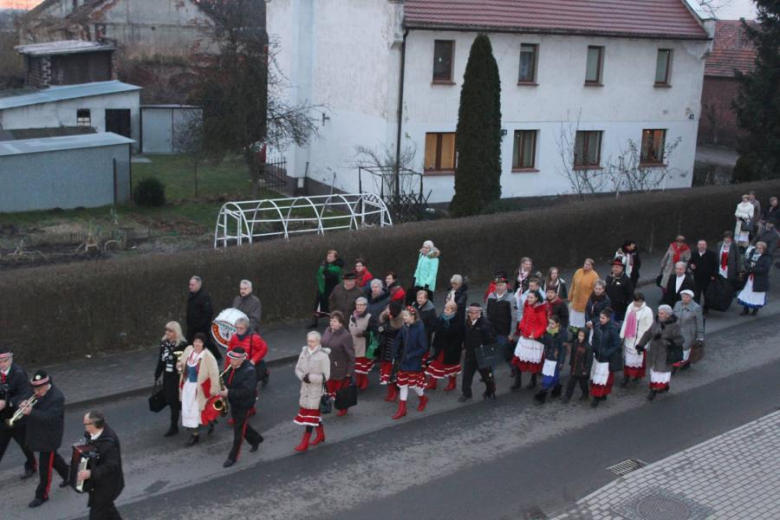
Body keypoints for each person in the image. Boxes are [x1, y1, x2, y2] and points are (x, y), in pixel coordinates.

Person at [24, 370, 70, 508]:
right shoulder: (35, 391)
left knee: (45, 468)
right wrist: (24, 403)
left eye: (39, 388)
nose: (36, 391)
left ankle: (42, 495)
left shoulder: (57, 397)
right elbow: (25, 396)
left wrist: (31, 411)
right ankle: (69, 475)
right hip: (38, 432)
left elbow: (49, 417)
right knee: (53, 458)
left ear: (47, 384)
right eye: (34, 388)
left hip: (49, 437)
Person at [219, 348, 263, 467]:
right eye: (231, 358)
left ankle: (232, 457)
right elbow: (227, 379)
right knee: (241, 424)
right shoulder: (232, 367)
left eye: (235, 359)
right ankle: (256, 439)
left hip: (244, 404)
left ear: (243, 359)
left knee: (238, 430)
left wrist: (228, 393)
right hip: (235, 402)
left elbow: (246, 392)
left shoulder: (249, 371)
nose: (231, 361)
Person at [79, 410, 124, 519]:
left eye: (86, 424)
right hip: (98, 483)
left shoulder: (109, 443)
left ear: (93, 425)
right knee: (108, 510)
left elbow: (111, 465)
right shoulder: (91, 434)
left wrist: (90, 473)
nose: (84, 427)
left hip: (107, 485)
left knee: (97, 513)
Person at [0, 347, 37, 479]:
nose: (2, 364)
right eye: (0, 362)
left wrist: (7, 402)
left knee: (25, 446)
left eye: (5, 361)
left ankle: (32, 465)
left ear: (11, 360)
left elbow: (25, 393)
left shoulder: (18, 373)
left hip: (17, 419)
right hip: (1, 419)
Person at [179, 333, 221, 447]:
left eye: (200, 342)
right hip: (188, 386)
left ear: (203, 344)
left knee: (196, 410)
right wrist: (180, 367)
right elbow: (182, 364)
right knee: (189, 409)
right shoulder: (189, 350)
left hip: (200, 389)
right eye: (195, 341)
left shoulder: (208, 356)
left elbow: (214, 373)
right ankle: (205, 425)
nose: (197, 344)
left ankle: (195, 435)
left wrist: (213, 388)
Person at [636, 305, 684, 401]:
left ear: (667, 315)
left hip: (665, 353)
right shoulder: (656, 322)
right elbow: (648, 334)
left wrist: (671, 341)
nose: (659, 314)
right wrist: (640, 345)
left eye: (661, 313)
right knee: (654, 372)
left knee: (661, 372)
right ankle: (653, 389)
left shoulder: (674, 326)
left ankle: (661, 387)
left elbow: (680, 339)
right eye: (659, 312)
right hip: (654, 352)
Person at [293, 331, 330, 452]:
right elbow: (297, 368)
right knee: (312, 415)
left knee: (309, 418)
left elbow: (326, 377)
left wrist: (310, 378)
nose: (310, 343)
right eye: (308, 341)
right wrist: (302, 377)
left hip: (317, 391)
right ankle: (321, 435)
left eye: (312, 341)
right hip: (305, 389)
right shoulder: (303, 352)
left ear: (318, 342)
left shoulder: (323, 356)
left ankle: (305, 442)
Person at [391, 307, 429, 419]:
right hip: (403, 360)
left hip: (413, 361)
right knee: (403, 385)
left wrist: (410, 355)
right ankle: (402, 409)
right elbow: (398, 340)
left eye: (406, 316)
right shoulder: (404, 326)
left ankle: (423, 398)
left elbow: (423, 347)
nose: (403, 317)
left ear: (412, 317)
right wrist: (394, 352)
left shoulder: (420, 328)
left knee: (415, 385)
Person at [458, 303, 497, 402]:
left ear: (479, 312)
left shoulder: (486, 324)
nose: (471, 314)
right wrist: (464, 348)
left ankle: (490, 390)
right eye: (469, 312)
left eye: (473, 312)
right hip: (470, 354)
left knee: (487, 376)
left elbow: (491, 341)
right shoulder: (467, 322)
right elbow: (465, 337)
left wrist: (489, 355)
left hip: (482, 355)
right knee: (467, 375)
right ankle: (466, 394)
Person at [154, 322, 187, 437]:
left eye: (170, 331)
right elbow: (161, 360)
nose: (167, 332)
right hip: (167, 376)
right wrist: (157, 374)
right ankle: (177, 424)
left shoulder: (183, 344)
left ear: (176, 332)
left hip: (178, 377)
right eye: (166, 330)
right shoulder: (164, 343)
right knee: (171, 401)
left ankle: (174, 426)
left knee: (176, 401)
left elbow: (186, 362)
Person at [486, 276, 518, 388]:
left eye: (500, 285)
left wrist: (512, 333)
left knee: (506, 353)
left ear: (506, 286)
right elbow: (487, 312)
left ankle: (514, 368)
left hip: (504, 332)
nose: (498, 287)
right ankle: (489, 375)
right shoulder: (491, 296)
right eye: (497, 285)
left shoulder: (511, 298)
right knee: (491, 353)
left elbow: (514, 317)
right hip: (492, 331)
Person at [321, 311, 355, 417]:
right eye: (331, 320)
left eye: (335, 321)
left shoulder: (346, 336)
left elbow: (351, 356)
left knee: (340, 391)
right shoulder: (327, 330)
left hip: (340, 368)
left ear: (341, 323)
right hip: (327, 366)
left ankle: (343, 408)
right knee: (330, 388)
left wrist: (349, 372)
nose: (332, 323)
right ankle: (336, 403)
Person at [512, 290, 548, 390]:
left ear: (536, 298)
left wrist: (535, 335)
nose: (529, 299)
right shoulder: (527, 304)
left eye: (531, 297)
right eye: (528, 297)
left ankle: (533, 380)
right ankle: (518, 380)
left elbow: (543, 326)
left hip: (533, 339)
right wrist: (521, 327)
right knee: (518, 359)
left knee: (533, 363)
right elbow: (524, 317)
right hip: (524, 336)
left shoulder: (540, 310)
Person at [426, 301, 465, 392]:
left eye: (447, 309)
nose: (445, 311)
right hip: (440, 347)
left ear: (453, 311)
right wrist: (435, 343)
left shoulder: (458, 322)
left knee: (451, 367)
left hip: (452, 349)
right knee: (436, 364)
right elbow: (438, 332)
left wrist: (452, 348)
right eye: (445, 308)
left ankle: (452, 383)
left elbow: (460, 337)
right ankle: (433, 382)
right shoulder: (442, 318)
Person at [226, 317, 269, 394]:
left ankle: (264, 376)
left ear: (246, 328)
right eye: (237, 328)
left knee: (251, 380)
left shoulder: (255, 338)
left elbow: (264, 349)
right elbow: (230, 351)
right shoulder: (234, 337)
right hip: (240, 362)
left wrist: (254, 360)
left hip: (250, 363)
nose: (238, 330)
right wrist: (229, 364)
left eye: (241, 328)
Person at [619, 293, 654, 386]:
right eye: (636, 301)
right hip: (630, 338)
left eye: (639, 301)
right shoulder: (630, 307)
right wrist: (622, 335)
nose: (637, 303)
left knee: (638, 360)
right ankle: (626, 377)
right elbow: (626, 321)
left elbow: (649, 327)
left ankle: (637, 375)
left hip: (640, 339)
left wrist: (644, 341)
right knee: (628, 360)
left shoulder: (647, 311)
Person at [589, 309, 621, 408]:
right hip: (597, 356)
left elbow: (616, 344)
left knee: (601, 378)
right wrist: (594, 347)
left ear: (608, 319)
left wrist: (607, 352)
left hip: (606, 358)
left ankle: (597, 397)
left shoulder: (612, 329)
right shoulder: (597, 326)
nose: (601, 320)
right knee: (595, 376)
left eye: (603, 318)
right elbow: (594, 338)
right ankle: (600, 394)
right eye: (600, 318)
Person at [186, 276, 221, 363]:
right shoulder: (191, 295)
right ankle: (191, 359)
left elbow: (208, 312)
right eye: (190, 284)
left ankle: (218, 357)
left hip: (201, 327)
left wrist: (201, 325)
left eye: (192, 285)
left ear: (198, 285)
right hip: (192, 326)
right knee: (190, 343)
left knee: (207, 342)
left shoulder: (204, 296)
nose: (190, 286)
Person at [534, 315, 566, 404]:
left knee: (548, 376)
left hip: (556, 359)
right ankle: (557, 389)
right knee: (554, 375)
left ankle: (543, 393)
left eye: (552, 323)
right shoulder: (548, 331)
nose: (550, 325)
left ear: (558, 324)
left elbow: (563, 349)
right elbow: (546, 342)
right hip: (548, 356)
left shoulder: (562, 333)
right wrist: (538, 338)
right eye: (549, 323)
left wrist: (562, 362)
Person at [308, 250, 344, 329]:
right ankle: (314, 321)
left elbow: (331, 277)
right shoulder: (324, 265)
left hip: (332, 288)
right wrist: (323, 275)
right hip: (323, 288)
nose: (328, 258)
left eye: (331, 256)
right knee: (318, 305)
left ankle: (333, 322)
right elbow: (319, 274)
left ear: (335, 258)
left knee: (331, 305)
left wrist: (325, 272)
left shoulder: (337, 267)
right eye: (328, 256)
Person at [377, 302, 404, 402]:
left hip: (394, 350)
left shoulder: (400, 321)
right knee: (387, 374)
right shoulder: (388, 317)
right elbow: (381, 325)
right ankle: (390, 393)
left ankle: (394, 393)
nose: (386, 310)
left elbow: (399, 337)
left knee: (392, 374)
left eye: (388, 308)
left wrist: (384, 331)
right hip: (386, 348)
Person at [738, 242, 772, 316]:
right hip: (749, 278)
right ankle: (745, 309)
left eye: (760, 248)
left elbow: (765, 269)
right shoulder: (752, 254)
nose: (758, 249)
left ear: (764, 249)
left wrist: (753, 270)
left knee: (756, 295)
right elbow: (746, 261)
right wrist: (748, 267)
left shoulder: (767, 257)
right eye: (757, 248)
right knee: (746, 293)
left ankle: (755, 310)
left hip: (759, 279)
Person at [673, 290, 704, 371]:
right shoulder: (678, 304)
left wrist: (700, 337)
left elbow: (699, 322)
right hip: (677, 330)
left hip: (689, 333)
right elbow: (673, 316)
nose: (684, 299)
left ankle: (681, 363)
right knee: (676, 346)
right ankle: (681, 362)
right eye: (683, 297)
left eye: (686, 297)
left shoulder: (696, 307)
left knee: (685, 348)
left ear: (691, 298)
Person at [349, 297, 375, 390]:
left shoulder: (370, 317)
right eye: (357, 304)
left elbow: (374, 332)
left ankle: (364, 381)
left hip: (363, 345)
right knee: (356, 367)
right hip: (353, 344)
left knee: (362, 367)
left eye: (361, 305)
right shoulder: (352, 315)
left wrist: (364, 334)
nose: (359, 307)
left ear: (365, 306)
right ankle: (358, 381)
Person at [561, 329, 593, 403]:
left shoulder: (588, 347)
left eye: (582, 336)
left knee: (583, 384)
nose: (580, 337)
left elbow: (589, 361)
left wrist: (586, 370)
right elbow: (573, 355)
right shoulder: (575, 342)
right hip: (574, 368)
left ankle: (585, 394)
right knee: (571, 383)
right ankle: (567, 396)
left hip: (582, 369)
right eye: (579, 335)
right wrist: (571, 364)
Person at [568, 258, 599, 328]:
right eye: (585, 264)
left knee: (582, 323)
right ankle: (574, 335)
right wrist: (570, 296)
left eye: (588, 265)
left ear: (592, 266)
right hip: (575, 302)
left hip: (585, 304)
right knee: (573, 321)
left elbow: (596, 290)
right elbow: (573, 284)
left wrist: (593, 303)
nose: (586, 266)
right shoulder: (578, 271)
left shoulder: (594, 276)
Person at [687, 240, 718, 310]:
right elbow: (690, 262)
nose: (702, 246)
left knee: (707, 294)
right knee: (696, 294)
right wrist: (691, 265)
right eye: (700, 245)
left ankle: (706, 309)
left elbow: (715, 265)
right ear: (697, 246)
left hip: (708, 278)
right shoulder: (694, 253)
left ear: (706, 246)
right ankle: (696, 308)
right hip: (697, 277)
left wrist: (714, 275)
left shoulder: (711, 254)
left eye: (703, 245)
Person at [413, 290, 438, 362]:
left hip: (424, 336)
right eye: (418, 297)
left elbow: (433, 325)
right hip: (414, 333)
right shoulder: (414, 305)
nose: (419, 299)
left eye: (421, 298)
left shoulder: (430, 310)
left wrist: (424, 333)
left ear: (426, 299)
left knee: (423, 354)